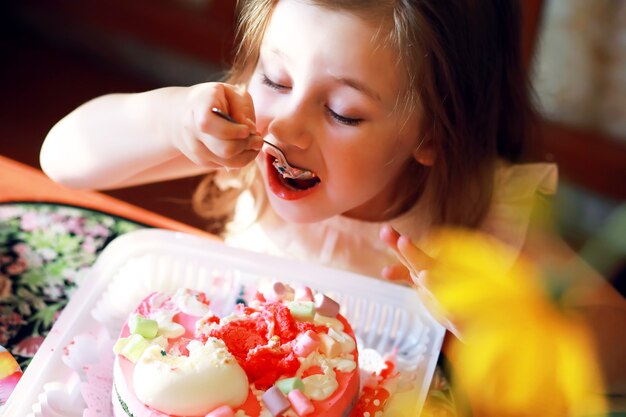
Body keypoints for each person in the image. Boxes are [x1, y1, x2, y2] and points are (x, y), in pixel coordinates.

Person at [41, 0, 625, 403]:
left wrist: (496, 311)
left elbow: (617, 352)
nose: (288, 126)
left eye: (342, 111)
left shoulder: (478, 220)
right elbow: (62, 160)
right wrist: (168, 119)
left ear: (432, 134)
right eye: (275, 79)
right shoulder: (246, 143)